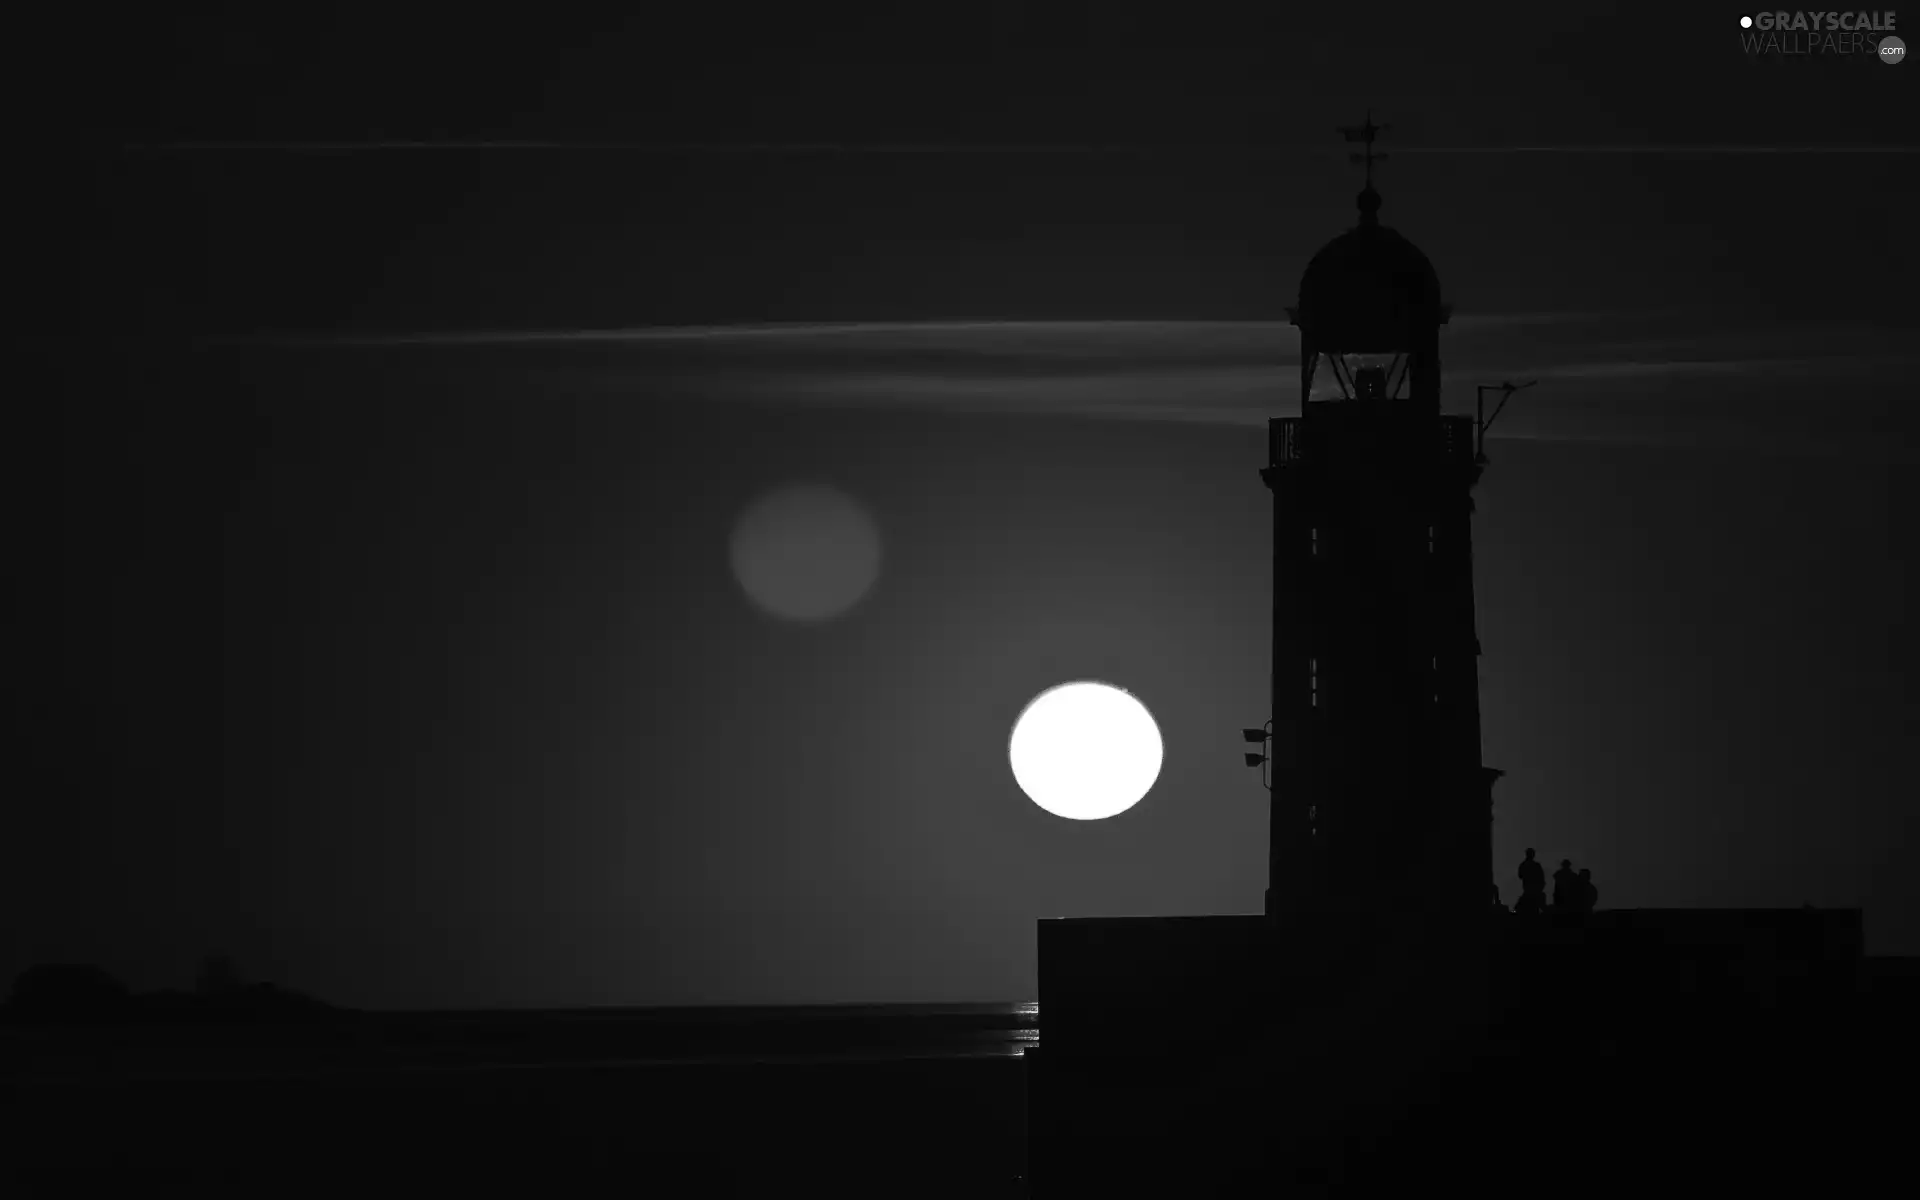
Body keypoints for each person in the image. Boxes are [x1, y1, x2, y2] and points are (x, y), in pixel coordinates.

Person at [1517, 849, 1546, 916]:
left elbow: (1520, 875)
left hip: (1531, 888)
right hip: (1532, 888)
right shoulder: (1535, 865)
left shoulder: (1524, 864)